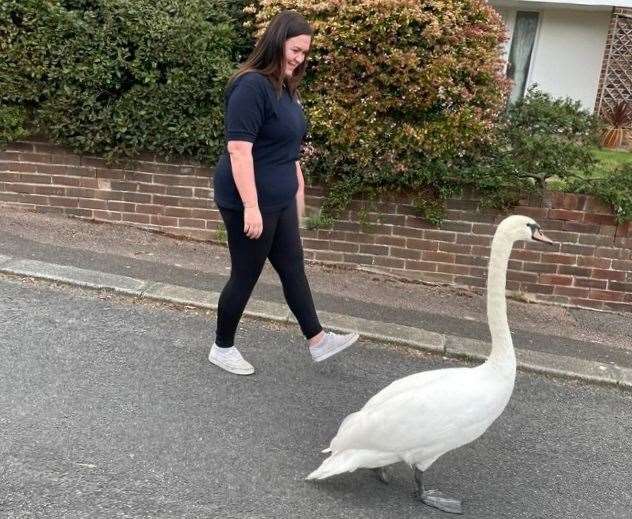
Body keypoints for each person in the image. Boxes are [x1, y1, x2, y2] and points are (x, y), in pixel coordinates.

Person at [208, 10, 359, 375]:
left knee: (292, 268)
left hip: (279, 199)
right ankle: (222, 347)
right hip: (250, 200)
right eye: (295, 49)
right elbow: (239, 150)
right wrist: (251, 207)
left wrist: (299, 192)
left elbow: (286, 149)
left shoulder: (287, 89)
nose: (299, 58)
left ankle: (318, 341)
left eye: (305, 53)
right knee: (246, 273)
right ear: (277, 41)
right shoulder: (251, 86)